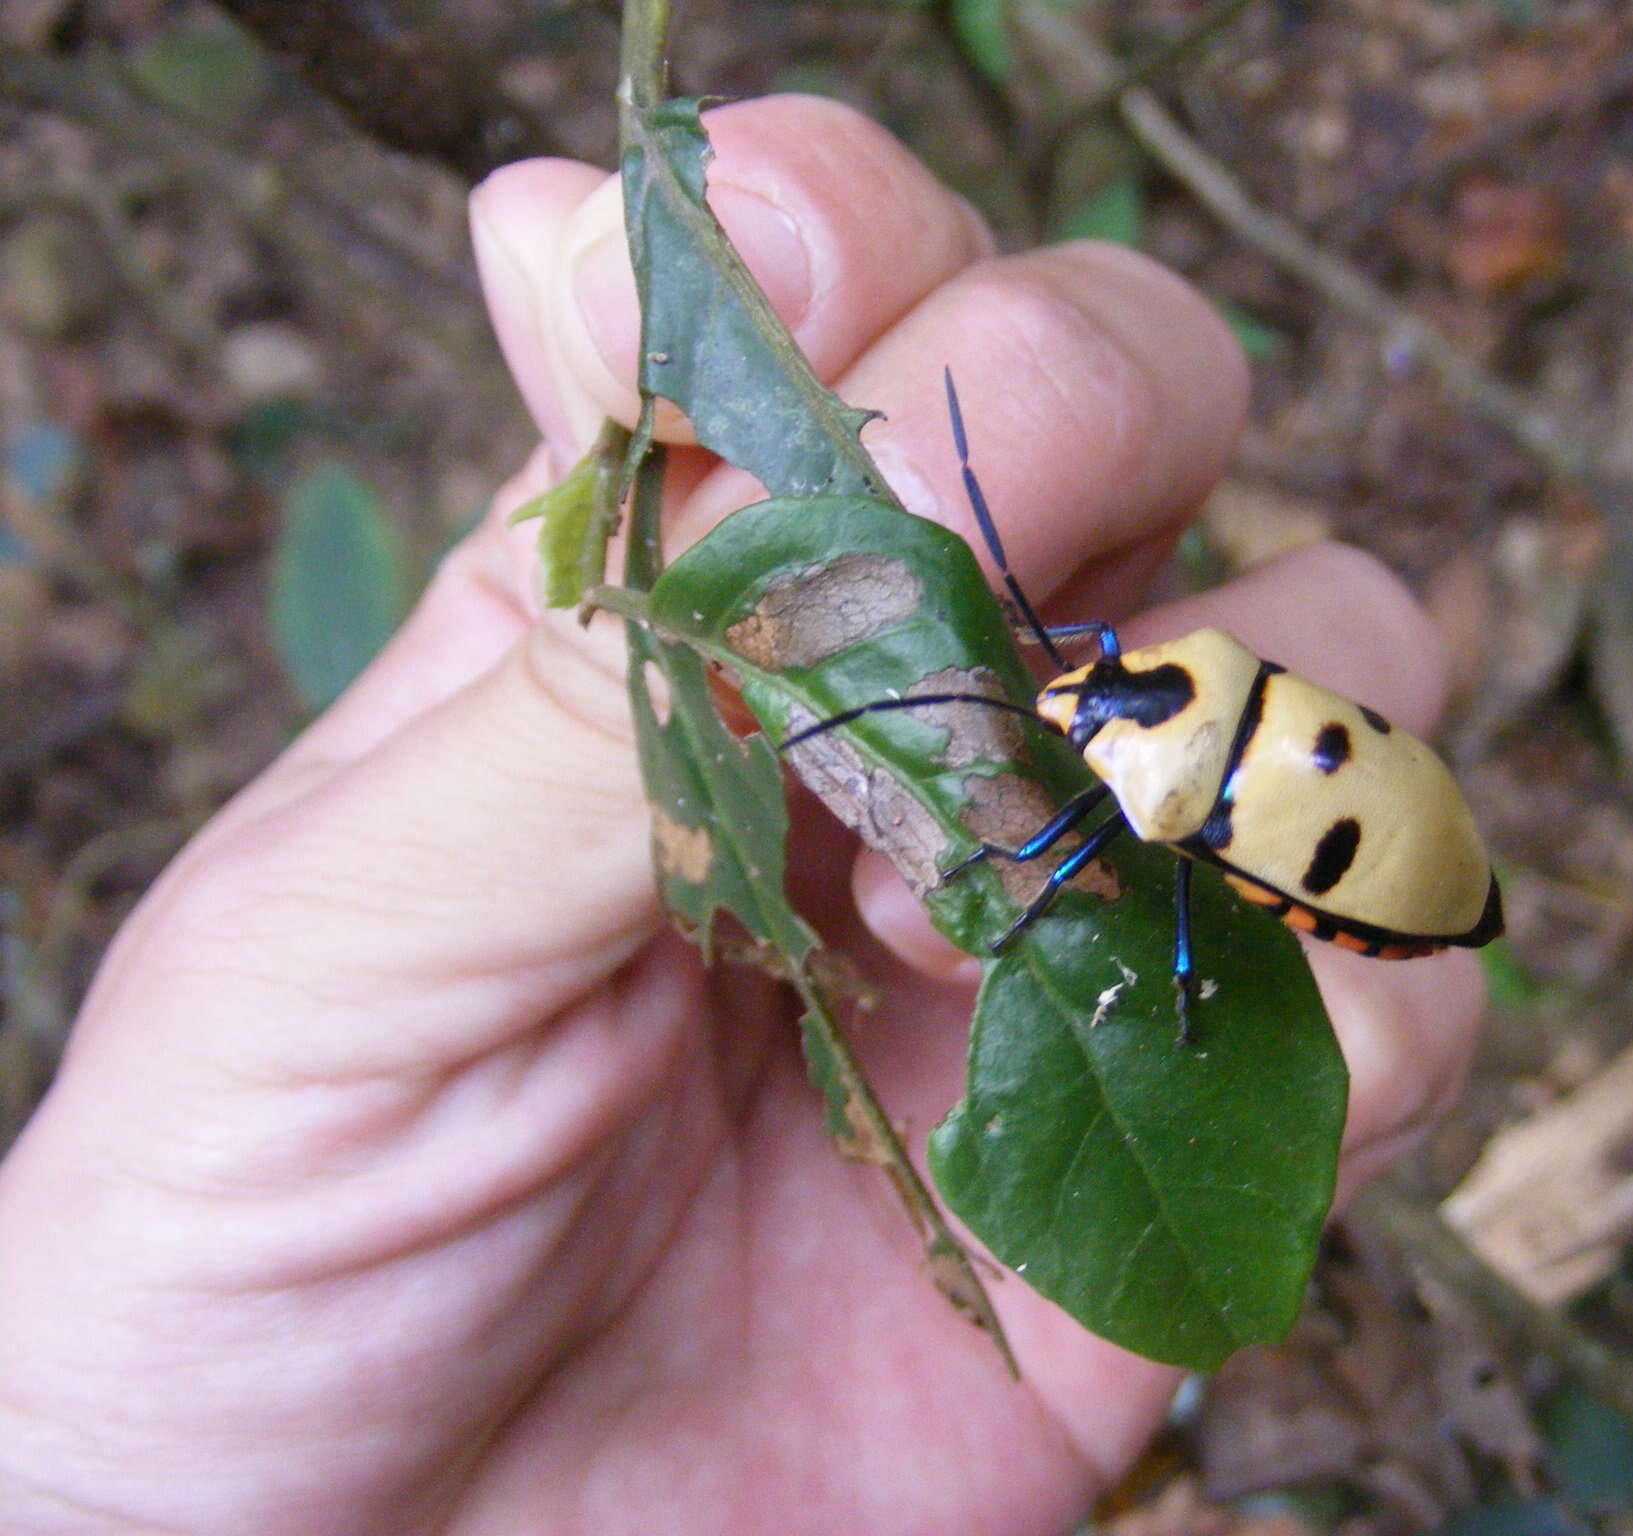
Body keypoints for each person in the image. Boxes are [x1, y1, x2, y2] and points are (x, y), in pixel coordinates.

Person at [0, 96, 1483, 1534]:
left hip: (1342, 856)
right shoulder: (1186, 711)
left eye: (1078, 694)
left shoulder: (1140, 793)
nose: (1060, 691)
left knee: (1078, 880)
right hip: (1310, 822)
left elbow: (1083, 847)